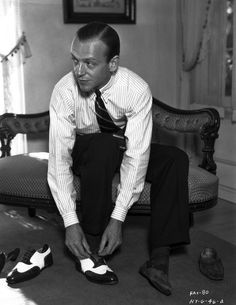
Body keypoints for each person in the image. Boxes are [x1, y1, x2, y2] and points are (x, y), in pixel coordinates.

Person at [47, 21, 190, 296]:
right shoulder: (64, 92)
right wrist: (70, 221)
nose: (79, 71)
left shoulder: (135, 89)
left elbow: (137, 154)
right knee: (103, 144)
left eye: (89, 63)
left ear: (112, 64)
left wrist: (119, 217)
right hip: (86, 150)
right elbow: (59, 160)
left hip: (121, 146)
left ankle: (158, 260)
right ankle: (89, 242)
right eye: (75, 61)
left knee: (175, 158)